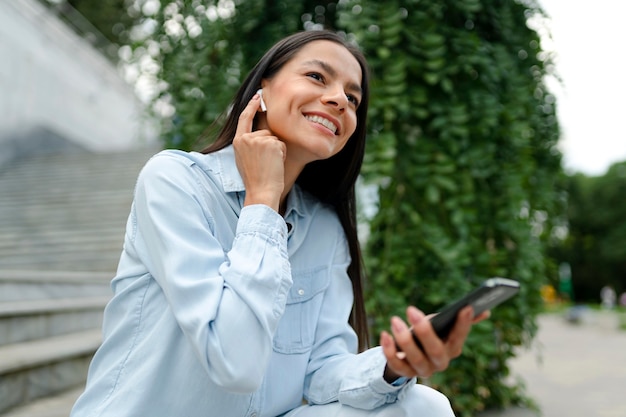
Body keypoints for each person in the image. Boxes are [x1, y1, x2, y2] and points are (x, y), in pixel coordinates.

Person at [70, 30, 488, 417]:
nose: (340, 100)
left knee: (420, 405)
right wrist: (263, 203)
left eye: (353, 98)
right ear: (262, 90)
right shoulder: (175, 182)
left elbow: (323, 371)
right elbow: (233, 363)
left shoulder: (325, 228)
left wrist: (393, 364)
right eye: (316, 76)